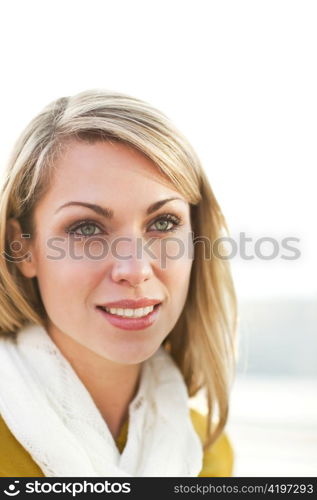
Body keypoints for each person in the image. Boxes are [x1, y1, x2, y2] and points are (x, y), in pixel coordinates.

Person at [0, 89, 238, 477]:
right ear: (22, 247)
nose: (135, 269)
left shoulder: (208, 451)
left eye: (163, 223)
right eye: (87, 228)